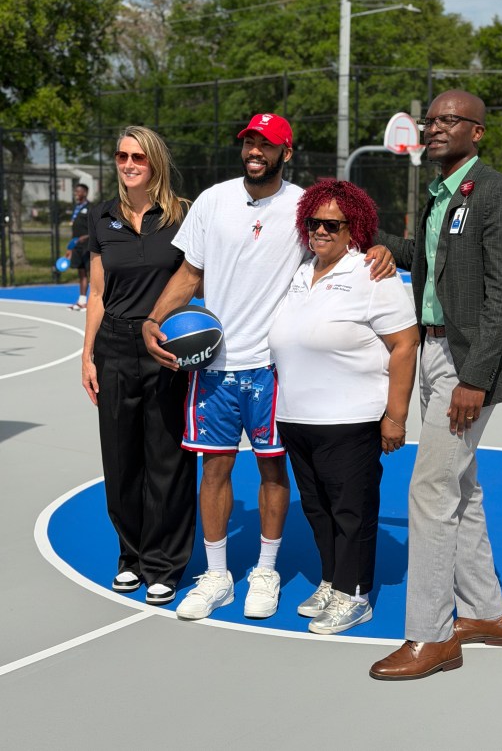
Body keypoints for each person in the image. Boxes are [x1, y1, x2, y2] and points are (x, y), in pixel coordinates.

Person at [142, 113, 394, 622]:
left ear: (287, 152)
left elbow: (342, 239)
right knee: (214, 468)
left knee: (271, 468)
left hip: (272, 369)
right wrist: (154, 318)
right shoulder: (213, 201)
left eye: (267, 144)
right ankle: (216, 575)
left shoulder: (303, 208)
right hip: (213, 365)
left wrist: (381, 247)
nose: (256, 150)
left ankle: (266, 570)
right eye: (250, 142)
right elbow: (191, 273)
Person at [370, 89, 502, 680]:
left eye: (449, 121)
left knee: (430, 490)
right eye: (430, 120)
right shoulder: (438, 194)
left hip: (467, 365)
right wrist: (380, 240)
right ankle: (488, 614)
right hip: (434, 351)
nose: (435, 128)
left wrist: (475, 378)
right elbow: (430, 261)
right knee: (461, 488)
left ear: (477, 132)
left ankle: (432, 637)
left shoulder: (497, 192)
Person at [269, 179, 419, 635]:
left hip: (350, 419)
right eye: (313, 222)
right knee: (316, 509)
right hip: (297, 417)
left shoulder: (373, 274)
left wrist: (395, 416)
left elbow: (405, 343)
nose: (320, 230)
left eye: (331, 224)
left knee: (351, 512)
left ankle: (355, 596)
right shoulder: (300, 272)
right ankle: (333, 580)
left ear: (354, 229)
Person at [81, 126, 196, 606]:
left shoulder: (183, 217)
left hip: (165, 350)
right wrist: (87, 355)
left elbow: (195, 280)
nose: (128, 164)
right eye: (122, 156)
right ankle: (130, 556)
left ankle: (164, 562)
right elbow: (98, 294)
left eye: (138, 158)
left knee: (167, 458)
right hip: (114, 347)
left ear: (155, 164)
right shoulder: (101, 216)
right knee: (122, 458)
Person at [66, 183, 90, 311]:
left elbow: (96, 228)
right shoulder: (77, 208)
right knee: (81, 273)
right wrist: (70, 248)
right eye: (76, 191)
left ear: (85, 193)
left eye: (79, 192)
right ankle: (82, 301)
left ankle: (99, 304)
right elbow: (75, 231)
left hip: (88, 246)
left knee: (94, 275)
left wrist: (85, 237)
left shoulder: (91, 208)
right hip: (77, 246)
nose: (76, 194)